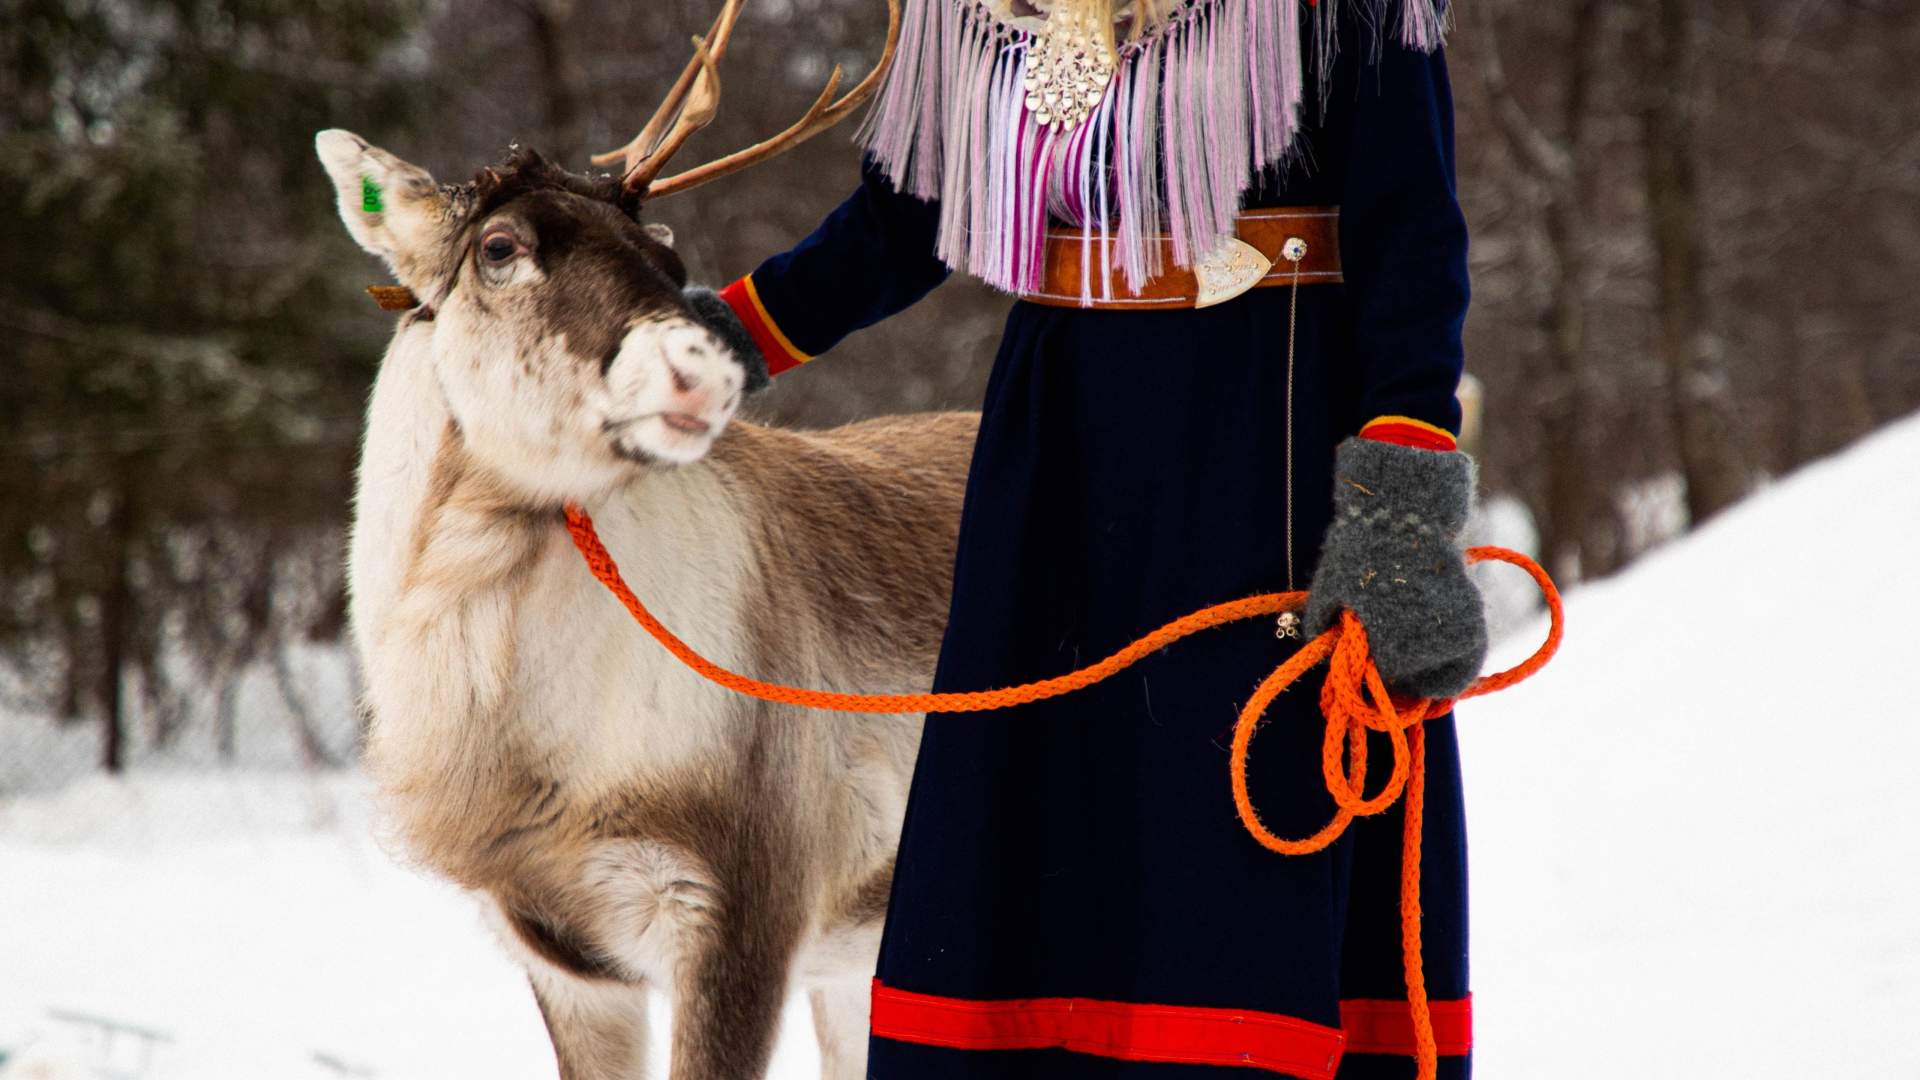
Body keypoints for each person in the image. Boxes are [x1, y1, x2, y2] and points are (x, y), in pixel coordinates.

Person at [701, 0, 1485, 1074]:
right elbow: (908, 219)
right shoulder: (976, 16)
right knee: (1040, 848)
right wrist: (720, 340)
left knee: (1231, 848)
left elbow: (1414, 241)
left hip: (1268, 458)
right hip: (1058, 466)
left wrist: (1402, 506)